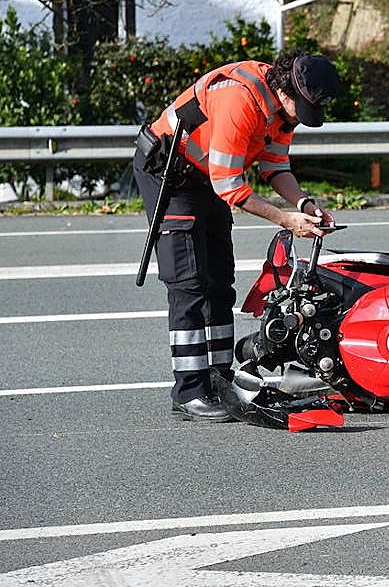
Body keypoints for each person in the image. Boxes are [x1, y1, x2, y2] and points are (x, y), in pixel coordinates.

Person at [132, 49, 341, 422]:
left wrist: (304, 204)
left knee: (219, 282)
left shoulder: (282, 109)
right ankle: (190, 392)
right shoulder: (239, 98)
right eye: (301, 109)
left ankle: (219, 381)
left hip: (207, 178)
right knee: (189, 284)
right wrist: (285, 219)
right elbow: (229, 184)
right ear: (285, 90)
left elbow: (275, 166)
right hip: (172, 175)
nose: (299, 119)